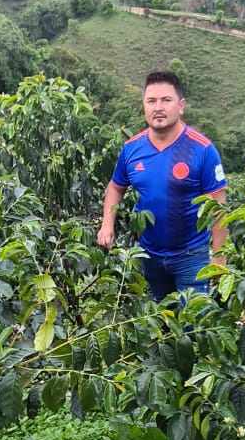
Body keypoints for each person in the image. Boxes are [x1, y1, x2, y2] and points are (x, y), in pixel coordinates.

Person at [97, 70, 227, 300]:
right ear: (144, 106)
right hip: (148, 256)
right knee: (159, 323)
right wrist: (107, 224)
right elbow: (116, 187)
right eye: (151, 101)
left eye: (166, 100)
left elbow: (218, 207)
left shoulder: (202, 149)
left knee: (194, 325)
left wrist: (219, 258)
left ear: (181, 105)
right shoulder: (131, 149)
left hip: (191, 256)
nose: (158, 107)